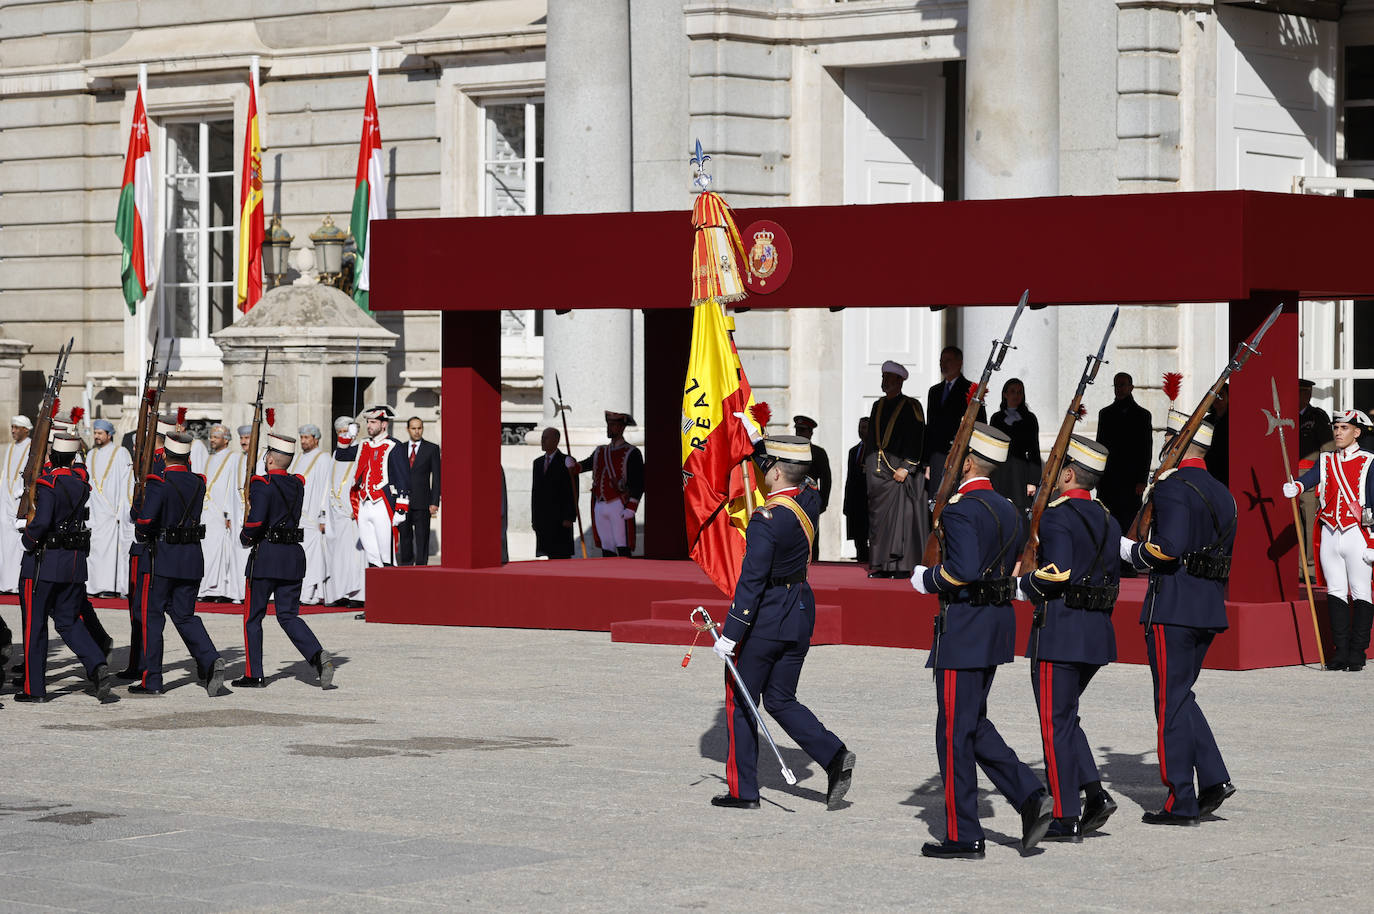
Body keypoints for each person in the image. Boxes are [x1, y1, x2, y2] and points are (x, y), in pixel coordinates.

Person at [910, 423, 1053, 859]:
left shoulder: (959, 509)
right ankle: (1029, 794)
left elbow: (964, 569)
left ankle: (964, 834)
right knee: (971, 722)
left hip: (966, 628)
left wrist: (927, 579)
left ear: (968, 462)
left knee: (953, 731)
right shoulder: (1008, 508)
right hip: (994, 625)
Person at [710, 436, 855, 811]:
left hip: (768, 616)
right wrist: (750, 433)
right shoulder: (809, 500)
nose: (760, 474)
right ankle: (833, 754)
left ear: (775, 472)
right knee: (780, 698)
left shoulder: (767, 520)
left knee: (741, 698)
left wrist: (731, 633)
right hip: (800, 610)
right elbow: (802, 480)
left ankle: (744, 791)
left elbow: (752, 581)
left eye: (765, 468)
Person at [1122, 412, 1236, 825]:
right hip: (1207, 607)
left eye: (1168, 439)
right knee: (1181, 695)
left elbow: (1167, 548)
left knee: (1169, 703)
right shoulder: (1223, 491)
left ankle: (1181, 800)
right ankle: (1214, 778)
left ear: (1177, 442)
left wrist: (1129, 552)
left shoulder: (1173, 487)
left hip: (1173, 608)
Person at [1017, 435, 1120, 841]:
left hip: (1060, 631)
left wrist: (1022, 584)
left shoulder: (1059, 516)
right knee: (1066, 715)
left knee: (1054, 722)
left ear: (1069, 474)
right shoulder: (1107, 517)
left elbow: (1056, 572)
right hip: (1095, 632)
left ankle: (1065, 813)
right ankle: (1093, 794)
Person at [13, 433, 115, 704]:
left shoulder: (50, 483)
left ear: (52, 457)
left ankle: (35, 689)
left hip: (44, 563)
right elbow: (79, 469)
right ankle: (96, 663)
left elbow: (42, 520)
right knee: (68, 621)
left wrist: (27, 538)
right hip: (73, 563)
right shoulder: (80, 482)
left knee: (35, 626)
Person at [236, 432, 334, 689]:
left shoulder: (262, 484)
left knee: (253, 617)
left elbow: (256, 521)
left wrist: (245, 537)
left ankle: (253, 674)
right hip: (292, 557)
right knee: (289, 616)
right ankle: (316, 655)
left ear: (269, 459)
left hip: (267, 557)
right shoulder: (296, 484)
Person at [130, 432, 225, 696]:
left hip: (162, 558)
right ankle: (209, 657)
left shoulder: (159, 483)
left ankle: (153, 680)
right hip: (191, 558)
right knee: (184, 615)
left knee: (152, 617)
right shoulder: (198, 482)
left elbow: (145, 523)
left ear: (164, 455)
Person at [1284, 409, 1374, 672]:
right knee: (1335, 592)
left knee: (1361, 592)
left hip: (1358, 533)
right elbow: (1311, 478)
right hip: (1330, 531)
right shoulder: (1326, 460)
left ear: (1356, 432)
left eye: (1344, 428)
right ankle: (1340, 651)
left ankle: (1358, 652)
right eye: (1336, 428)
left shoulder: (1369, 461)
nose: (1338, 432)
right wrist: (1297, 486)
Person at [864, 360, 928, 578]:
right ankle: (882, 564)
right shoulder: (877, 405)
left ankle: (900, 567)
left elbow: (917, 438)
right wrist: (869, 465)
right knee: (880, 524)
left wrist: (907, 467)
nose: (885, 382)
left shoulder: (911, 406)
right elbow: (871, 439)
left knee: (900, 520)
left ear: (900, 381)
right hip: (879, 473)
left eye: (889, 378)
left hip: (899, 471)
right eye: (883, 378)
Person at [120, 414, 172, 680]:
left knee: (143, 608)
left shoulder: (157, 465)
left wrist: (135, 511)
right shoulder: (156, 462)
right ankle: (137, 662)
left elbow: (142, 508)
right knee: (141, 607)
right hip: (146, 543)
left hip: (146, 545)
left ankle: (144, 666)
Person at [567, 410, 643, 557]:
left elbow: (638, 482)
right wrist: (573, 465)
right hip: (600, 504)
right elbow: (584, 466)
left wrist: (632, 506)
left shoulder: (632, 452)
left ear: (621, 428)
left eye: (613, 425)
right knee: (606, 546)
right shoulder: (600, 451)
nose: (609, 428)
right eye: (609, 424)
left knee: (623, 545)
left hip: (618, 504)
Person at [350, 405, 410, 568]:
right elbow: (342, 456)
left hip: (382, 503)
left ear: (384, 424)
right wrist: (349, 437)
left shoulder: (394, 445)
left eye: (373, 422)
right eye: (368, 422)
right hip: (364, 502)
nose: (369, 425)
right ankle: (376, 591)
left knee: (386, 555)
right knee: (371, 556)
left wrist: (401, 508)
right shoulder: (363, 444)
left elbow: (402, 477)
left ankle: (391, 591)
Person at [1095, 372, 1153, 537]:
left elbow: (1146, 449)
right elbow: (1100, 445)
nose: (1119, 389)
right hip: (1109, 479)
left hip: (1131, 481)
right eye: (1116, 385)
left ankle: (1127, 562)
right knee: (1107, 524)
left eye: (1122, 385)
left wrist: (1142, 479)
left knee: (1128, 525)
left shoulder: (1142, 415)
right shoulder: (1105, 414)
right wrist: (1098, 475)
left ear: (1131, 387)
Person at [924, 346, 984, 497]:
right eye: (941, 361)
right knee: (936, 499)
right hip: (938, 456)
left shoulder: (971, 389)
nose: (943, 364)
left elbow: (980, 424)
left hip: (960, 455)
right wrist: (927, 462)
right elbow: (930, 427)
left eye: (948, 360)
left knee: (957, 498)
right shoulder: (934, 391)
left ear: (960, 363)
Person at [84, 418, 132, 598]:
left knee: (111, 551)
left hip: (112, 513)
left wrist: (120, 510)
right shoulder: (91, 455)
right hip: (95, 512)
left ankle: (110, 587)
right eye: (95, 433)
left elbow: (125, 482)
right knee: (94, 550)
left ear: (109, 435)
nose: (96, 436)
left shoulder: (121, 453)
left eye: (99, 433)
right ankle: (93, 587)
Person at [198, 425, 243, 603]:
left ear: (226, 439)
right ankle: (207, 588)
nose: (212, 440)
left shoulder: (235, 458)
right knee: (207, 550)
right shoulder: (209, 459)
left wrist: (228, 512)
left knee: (222, 551)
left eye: (216, 437)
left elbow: (233, 485)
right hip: (208, 512)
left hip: (222, 513)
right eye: (211, 437)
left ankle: (222, 590)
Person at [324, 418, 366, 606]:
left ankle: (356, 595)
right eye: (339, 431)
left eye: (346, 431)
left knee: (354, 557)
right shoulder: (335, 453)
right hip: (336, 513)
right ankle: (338, 593)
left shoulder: (361, 450)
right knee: (337, 556)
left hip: (352, 512)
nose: (343, 435)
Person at [989, 378, 1041, 515]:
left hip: (1020, 471)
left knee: (1019, 509)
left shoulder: (1029, 418)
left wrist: (1033, 481)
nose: (1016, 395)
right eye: (1012, 391)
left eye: (1019, 392)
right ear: (1005, 394)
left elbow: (1034, 450)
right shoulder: (997, 418)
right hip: (1000, 471)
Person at [291, 424, 330, 603]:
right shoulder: (298, 458)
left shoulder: (323, 458)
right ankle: (301, 592)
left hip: (313, 516)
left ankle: (311, 593)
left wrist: (322, 515)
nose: (303, 441)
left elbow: (325, 489)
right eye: (302, 437)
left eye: (307, 438)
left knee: (312, 556)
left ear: (316, 439)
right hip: (298, 515)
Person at [397, 416, 441, 566]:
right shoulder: (400, 448)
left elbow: (437, 477)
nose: (417, 431)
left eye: (419, 428)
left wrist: (434, 502)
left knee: (422, 538)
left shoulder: (432, 448)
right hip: (402, 502)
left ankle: (422, 568)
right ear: (407, 429)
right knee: (405, 538)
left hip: (423, 503)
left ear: (423, 428)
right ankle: (406, 568)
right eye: (413, 428)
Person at [531, 427, 577, 559]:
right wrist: (535, 518)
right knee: (548, 553)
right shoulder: (538, 463)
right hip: (544, 518)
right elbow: (536, 493)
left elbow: (573, 491)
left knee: (561, 554)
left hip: (560, 519)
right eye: (542, 438)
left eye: (546, 438)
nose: (542, 441)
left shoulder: (566, 461)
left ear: (556, 440)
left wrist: (569, 516)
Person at [1, 416, 34, 595]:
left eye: (16, 428)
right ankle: (6, 583)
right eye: (12, 427)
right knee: (5, 545)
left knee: (17, 544)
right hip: (6, 503)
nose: (13, 430)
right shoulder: (10, 448)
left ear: (26, 430)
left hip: (21, 504)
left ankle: (16, 583)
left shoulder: (32, 447)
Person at [793, 415, 832, 561]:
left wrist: (823, 503)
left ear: (810, 433)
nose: (799, 434)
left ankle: (813, 564)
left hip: (810, 500)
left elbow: (826, 479)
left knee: (811, 536)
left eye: (803, 431)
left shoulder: (817, 452)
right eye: (798, 430)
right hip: (792, 499)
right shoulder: (790, 450)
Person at [843, 417, 871, 564]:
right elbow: (849, 479)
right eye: (860, 427)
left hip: (871, 500)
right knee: (859, 539)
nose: (861, 431)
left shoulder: (876, 451)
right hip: (856, 501)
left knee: (872, 537)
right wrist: (846, 503)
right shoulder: (854, 451)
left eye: (865, 427)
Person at [1203, 382, 1230, 486]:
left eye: (1221, 395)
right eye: (1215, 395)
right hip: (1208, 470)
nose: (1217, 398)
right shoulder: (1207, 420)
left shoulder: (1232, 421)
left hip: (1225, 469)